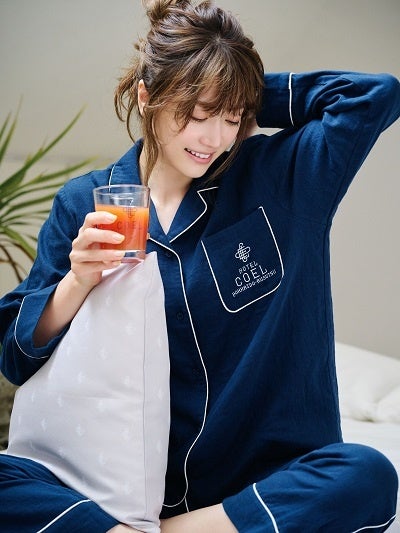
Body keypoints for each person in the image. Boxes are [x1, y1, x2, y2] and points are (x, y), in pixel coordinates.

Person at [0, 0, 399, 531]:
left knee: (367, 475)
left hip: (255, 484)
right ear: (147, 96)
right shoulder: (85, 202)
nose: (215, 139)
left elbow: (374, 96)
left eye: (231, 118)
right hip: (118, 477)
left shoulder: (283, 177)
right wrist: (77, 282)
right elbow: (14, 357)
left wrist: (236, 83)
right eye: (197, 113)